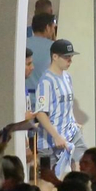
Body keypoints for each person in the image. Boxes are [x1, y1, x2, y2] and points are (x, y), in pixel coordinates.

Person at [34, 38, 84, 179]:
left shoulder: (67, 77)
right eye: (66, 57)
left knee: (79, 168)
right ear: (55, 57)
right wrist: (56, 136)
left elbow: (67, 105)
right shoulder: (46, 82)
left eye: (71, 57)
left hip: (71, 133)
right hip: (51, 139)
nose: (70, 61)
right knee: (49, 180)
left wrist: (73, 122)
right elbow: (40, 113)